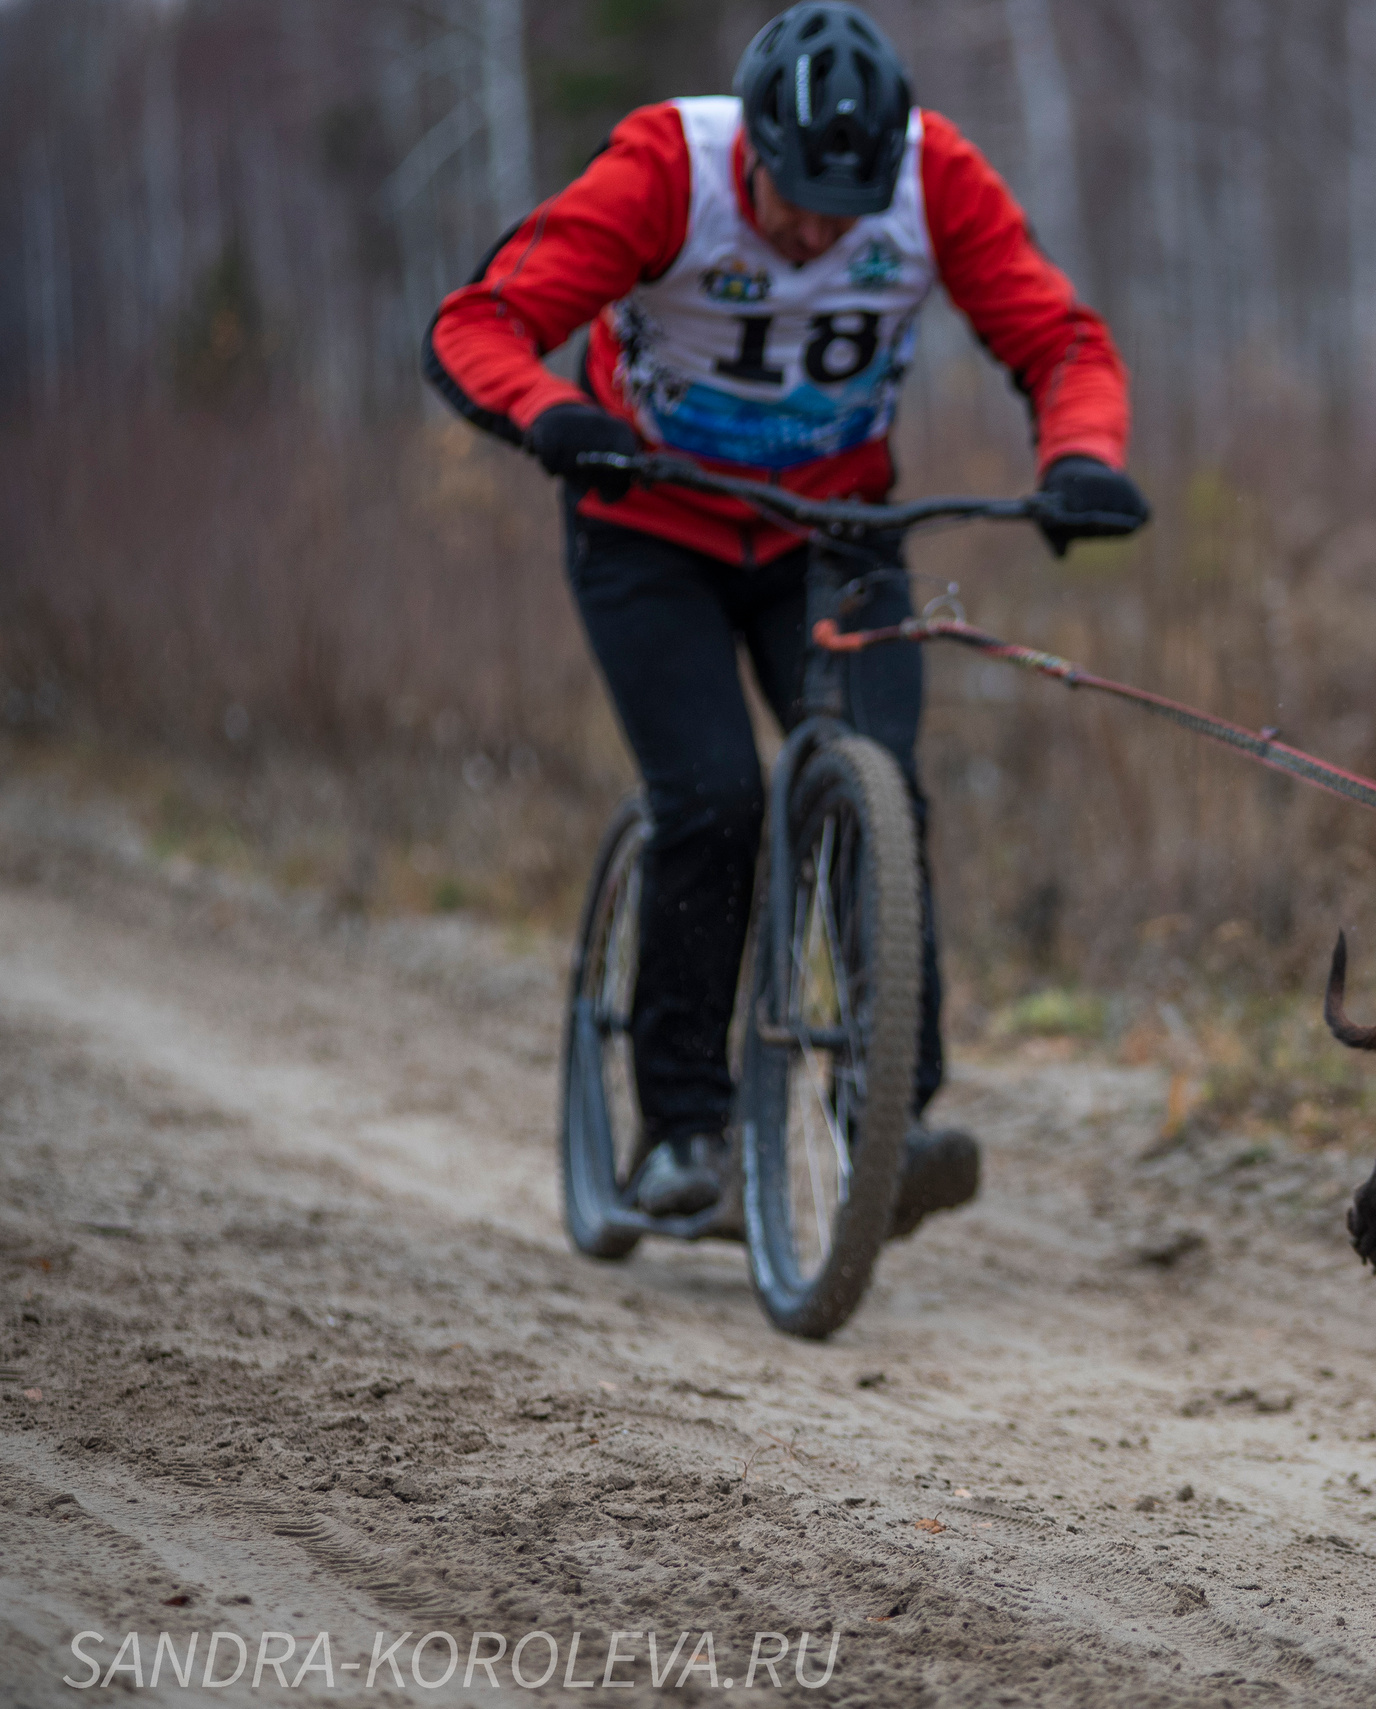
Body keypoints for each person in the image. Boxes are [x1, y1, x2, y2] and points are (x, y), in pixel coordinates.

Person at [425, 2, 1144, 1224]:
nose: (816, 233)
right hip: (649, 529)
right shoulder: (664, 168)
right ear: (749, 145)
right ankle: (684, 1132)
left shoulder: (937, 180)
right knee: (712, 801)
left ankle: (888, 1120)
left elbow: (1059, 338)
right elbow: (477, 325)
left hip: (834, 530)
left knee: (883, 788)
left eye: (844, 209)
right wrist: (556, 418)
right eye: (795, 198)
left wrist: (1080, 454)